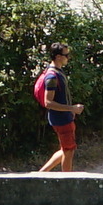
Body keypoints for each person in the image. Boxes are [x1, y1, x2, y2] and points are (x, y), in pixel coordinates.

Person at [32, 41, 79, 171]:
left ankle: (40, 174)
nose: (68, 57)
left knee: (66, 149)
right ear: (58, 57)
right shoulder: (52, 76)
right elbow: (48, 102)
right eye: (66, 55)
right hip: (61, 119)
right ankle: (66, 184)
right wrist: (72, 108)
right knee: (68, 151)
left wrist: (71, 110)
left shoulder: (58, 71)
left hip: (64, 117)